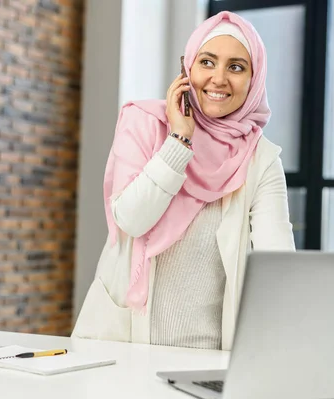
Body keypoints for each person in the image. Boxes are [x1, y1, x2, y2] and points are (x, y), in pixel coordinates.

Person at [72, 11, 295, 351]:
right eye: (207, 62)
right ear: (187, 68)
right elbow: (132, 219)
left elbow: (278, 265)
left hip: (206, 356)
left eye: (236, 67)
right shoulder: (144, 123)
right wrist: (178, 141)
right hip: (121, 344)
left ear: (255, 80)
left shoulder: (261, 159)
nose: (218, 78)